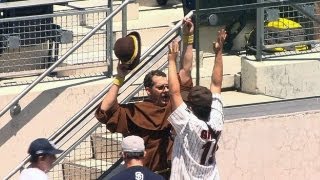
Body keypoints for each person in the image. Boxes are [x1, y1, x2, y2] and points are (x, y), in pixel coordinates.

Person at [95, 18, 194, 179]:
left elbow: (186, 71)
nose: (166, 90)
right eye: (160, 87)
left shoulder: (174, 106)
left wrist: (188, 38)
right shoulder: (136, 111)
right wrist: (119, 77)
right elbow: (104, 110)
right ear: (148, 90)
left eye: (168, 86)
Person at [167, 29, 226, 180]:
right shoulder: (216, 118)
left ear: (191, 107)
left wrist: (171, 60)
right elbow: (216, 84)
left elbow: (174, 92)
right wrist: (219, 52)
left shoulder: (188, 123)